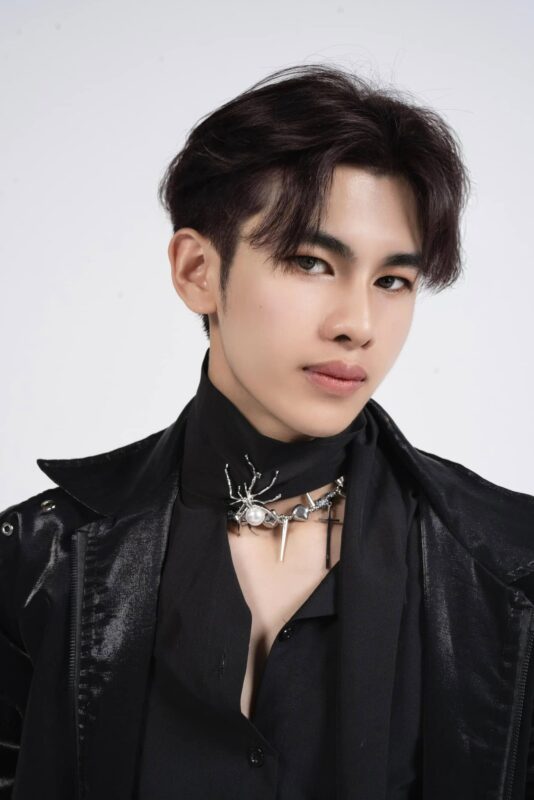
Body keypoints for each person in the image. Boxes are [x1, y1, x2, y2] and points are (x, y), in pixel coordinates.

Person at [1, 63, 533, 800]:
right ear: (198, 270)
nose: (358, 324)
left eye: (393, 281)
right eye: (311, 263)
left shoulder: (511, 566)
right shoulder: (35, 560)